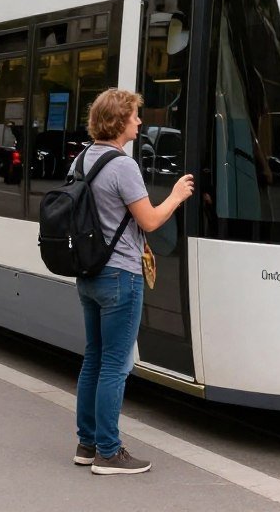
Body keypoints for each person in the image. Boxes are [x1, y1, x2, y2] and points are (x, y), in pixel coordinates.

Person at [73, 88, 194, 475]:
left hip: (89, 273)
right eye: (135, 116)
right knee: (115, 365)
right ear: (119, 120)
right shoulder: (123, 166)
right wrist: (176, 195)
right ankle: (109, 452)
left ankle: (87, 444)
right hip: (121, 275)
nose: (140, 122)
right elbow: (151, 221)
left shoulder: (81, 159)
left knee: (94, 358)